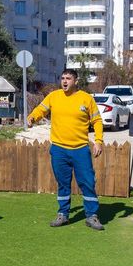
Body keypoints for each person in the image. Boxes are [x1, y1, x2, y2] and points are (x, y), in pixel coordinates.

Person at [27, 68, 105, 231]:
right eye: (62, 78)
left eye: (68, 78)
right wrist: (32, 117)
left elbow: (97, 120)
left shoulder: (86, 99)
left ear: (76, 81)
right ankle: (63, 214)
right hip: (59, 150)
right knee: (63, 184)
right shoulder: (53, 96)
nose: (64, 81)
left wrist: (98, 141)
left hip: (80, 150)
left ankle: (91, 216)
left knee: (88, 183)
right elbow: (41, 109)